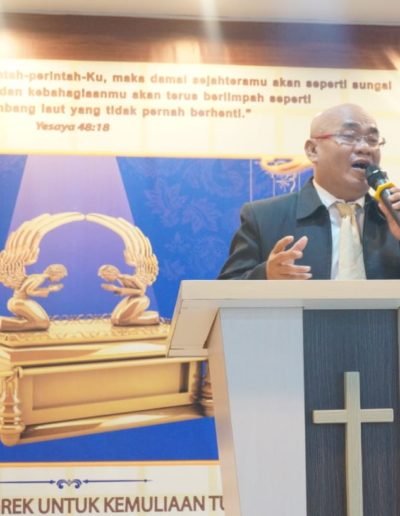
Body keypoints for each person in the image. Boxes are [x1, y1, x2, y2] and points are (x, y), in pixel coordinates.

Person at [218, 103, 400, 280]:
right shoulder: (262, 217)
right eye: (349, 136)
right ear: (313, 150)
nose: (365, 148)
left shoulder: (393, 218)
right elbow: (226, 289)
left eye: (372, 140)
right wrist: (266, 275)